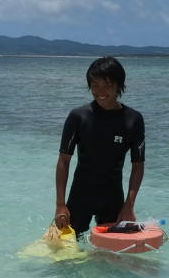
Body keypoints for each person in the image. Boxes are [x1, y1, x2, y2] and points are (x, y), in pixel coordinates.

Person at [54, 56, 145, 238]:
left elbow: (138, 165)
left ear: (119, 85)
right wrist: (60, 205)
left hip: (113, 199)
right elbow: (64, 160)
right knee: (66, 255)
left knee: (109, 258)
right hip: (80, 197)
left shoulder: (133, 120)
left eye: (107, 85)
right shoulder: (79, 117)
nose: (100, 91)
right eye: (95, 85)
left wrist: (129, 205)